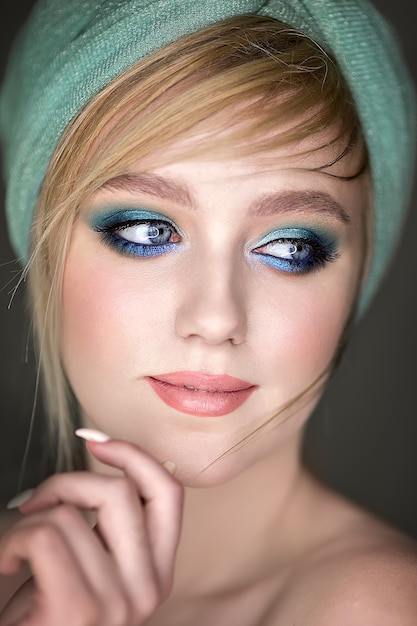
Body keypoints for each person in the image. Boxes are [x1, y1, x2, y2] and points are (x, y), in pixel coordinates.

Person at [0, 0, 416, 623]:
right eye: (145, 230)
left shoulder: (373, 606)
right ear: (44, 245)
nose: (217, 317)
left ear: (357, 276)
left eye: (291, 247)